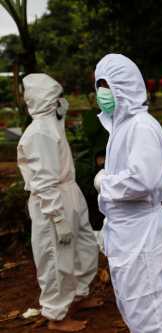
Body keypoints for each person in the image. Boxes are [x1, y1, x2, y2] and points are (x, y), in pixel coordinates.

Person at [93, 54, 162, 333]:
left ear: (124, 86)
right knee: (135, 307)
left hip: (142, 232)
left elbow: (143, 180)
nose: (101, 93)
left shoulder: (141, 127)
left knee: (150, 313)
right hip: (128, 232)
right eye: (99, 86)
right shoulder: (122, 126)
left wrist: (104, 183)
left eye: (106, 85)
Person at [17, 74, 100, 332]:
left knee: (83, 245)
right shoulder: (39, 132)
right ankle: (56, 315)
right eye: (56, 97)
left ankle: (79, 295)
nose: (61, 101)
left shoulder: (51, 125)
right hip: (52, 199)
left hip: (68, 192)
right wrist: (58, 217)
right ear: (46, 99)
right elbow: (43, 180)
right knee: (56, 257)